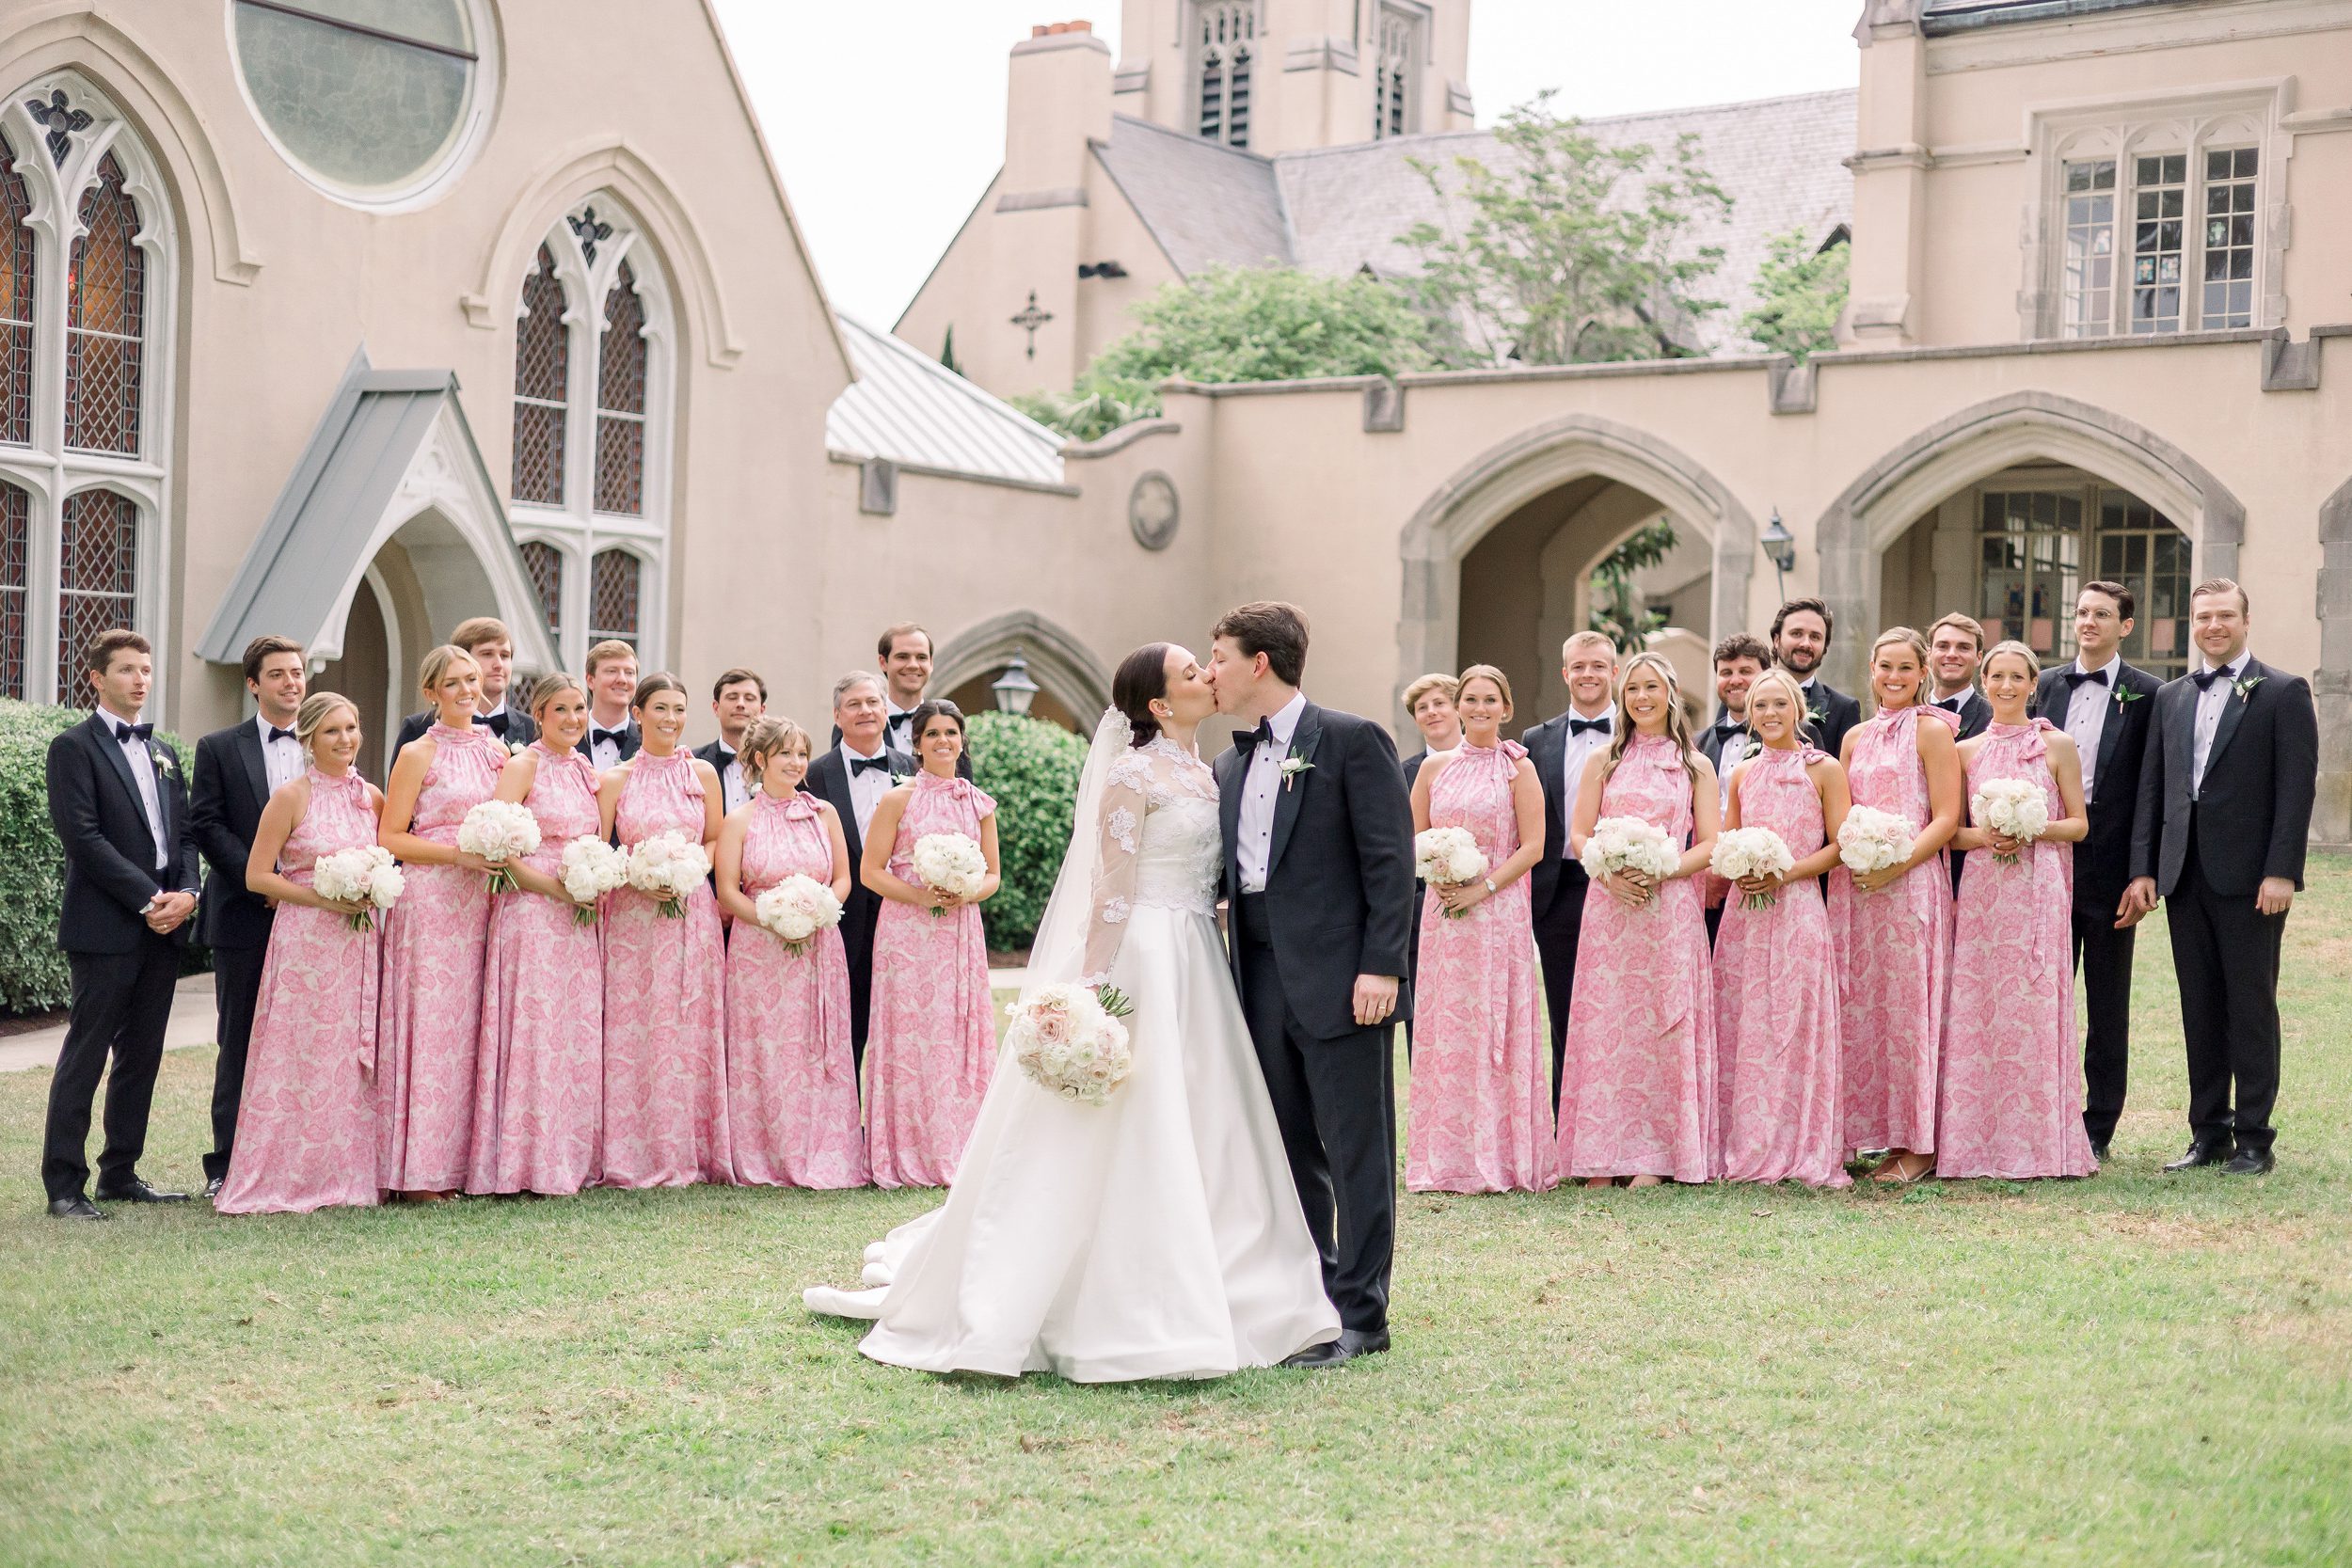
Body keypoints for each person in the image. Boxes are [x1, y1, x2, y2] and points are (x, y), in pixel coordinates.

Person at [803, 645, 1340, 1380]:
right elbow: (1110, 886)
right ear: (1157, 704)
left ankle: (1233, 1269)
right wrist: (1091, 987)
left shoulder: (1206, 769)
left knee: (1206, 1110)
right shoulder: (1129, 773)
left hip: (1197, 956)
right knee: (1127, 1108)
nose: (1205, 678)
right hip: (1143, 953)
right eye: (1190, 673)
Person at [1211, 601, 1414, 1366]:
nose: (1211, 670)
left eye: (1220, 655)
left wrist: (1381, 965)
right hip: (1255, 977)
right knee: (1291, 1148)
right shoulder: (1227, 764)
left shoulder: (1355, 741)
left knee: (1356, 1146)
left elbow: (1391, 863)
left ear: (1259, 662)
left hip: (1342, 976)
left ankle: (1365, 1314)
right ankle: (1315, 1300)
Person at [2125, 579, 2318, 1176]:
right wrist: (2144, 868)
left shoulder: (2283, 691)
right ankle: (2208, 1133)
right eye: (2203, 616)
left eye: (2225, 616)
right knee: (2199, 1007)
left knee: (2250, 1006)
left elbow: (2296, 789)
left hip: (2251, 880)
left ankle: (2255, 1138)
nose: (2214, 626)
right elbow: (2154, 788)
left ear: (2245, 620)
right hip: (2184, 876)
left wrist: (2282, 870)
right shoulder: (2172, 696)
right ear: (2192, 623)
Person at [40, 630, 201, 1219]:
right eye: (127, 669)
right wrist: (149, 896)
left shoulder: (165, 754)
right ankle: (64, 1186)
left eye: (146, 670)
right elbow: (82, 837)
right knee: (87, 1052)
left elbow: (183, 836)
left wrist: (187, 892)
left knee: (143, 1054)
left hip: (165, 927)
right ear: (97, 678)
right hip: (106, 927)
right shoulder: (73, 748)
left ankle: (120, 1173)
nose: (140, 680)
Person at [214, 694, 387, 1215]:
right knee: (302, 1050)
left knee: (350, 1056)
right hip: (306, 942)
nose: (346, 740)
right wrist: (322, 897)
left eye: (352, 727)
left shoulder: (372, 797)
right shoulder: (291, 796)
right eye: (332, 731)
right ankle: (287, 1172)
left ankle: (349, 1172)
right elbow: (257, 875)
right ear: (308, 739)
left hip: (359, 940)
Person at [1555, 652, 1721, 1188]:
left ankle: (1655, 1156)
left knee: (1660, 1025)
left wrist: (1665, 870)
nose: (1642, 698)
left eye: (1652, 687)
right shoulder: (1604, 758)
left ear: (1671, 693)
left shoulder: (1695, 764)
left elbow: (1712, 842)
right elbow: (1580, 833)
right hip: (1610, 908)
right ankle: (1599, 1156)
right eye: (1632, 690)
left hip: (1669, 908)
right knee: (1607, 1026)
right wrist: (1606, 873)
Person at [1940, 642, 2096, 1180]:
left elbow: (2078, 824)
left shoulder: (2058, 746)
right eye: (1997, 676)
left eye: (2017, 677)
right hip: (1984, 891)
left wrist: (2031, 829)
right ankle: (1973, 1142)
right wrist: (1987, 836)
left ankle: (2039, 1144)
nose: (2006, 686)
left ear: (2034, 684)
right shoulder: (1965, 750)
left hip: (2037, 887)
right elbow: (1951, 833)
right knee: (1980, 1006)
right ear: (1984, 682)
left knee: (2032, 1003)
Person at [2028, 581, 2163, 1162]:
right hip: (2043, 864)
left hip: (2110, 871)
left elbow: (2151, 790)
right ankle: (2037, 1111)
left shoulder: (2151, 694)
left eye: (2102, 615)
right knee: (2039, 993)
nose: (2089, 622)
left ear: (2124, 626)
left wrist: (2142, 872)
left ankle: (2098, 1123)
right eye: (2082, 612)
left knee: (2107, 1003)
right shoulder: (2046, 684)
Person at [1406, 665, 1550, 1194]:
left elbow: (1532, 847)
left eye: (1491, 700)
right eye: (1471, 699)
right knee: (1447, 1028)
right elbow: (1415, 835)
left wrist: (1483, 887)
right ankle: (1442, 1158)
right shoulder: (1432, 769)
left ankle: (1499, 1158)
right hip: (1444, 915)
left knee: (1494, 1027)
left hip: (1498, 912)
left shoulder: (1519, 769)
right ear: (1458, 705)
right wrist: (1437, 873)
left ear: (1506, 708)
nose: (1480, 708)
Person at [1828, 627, 1963, 1184]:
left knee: (1908, 1010)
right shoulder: (1855, 736)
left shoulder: (1933, 732)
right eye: (1885, 667)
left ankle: (1918, 1143)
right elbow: (1839, 810)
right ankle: (1863, 1132)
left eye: (1906, 668)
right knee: (1860, 1008)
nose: (1894, 678)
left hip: (1910, 884)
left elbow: (1947, 818)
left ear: (1922, 671)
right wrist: (1856, 857)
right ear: (1872, 669)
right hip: (1857, 887)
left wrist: (1897, 864)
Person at [469, 673, 608, 1196]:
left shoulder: (586, 772)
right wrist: (557, 889)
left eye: (580, 709)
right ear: (540, 714)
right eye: (562, 710)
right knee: (532, 1032)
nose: (573, 719)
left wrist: (593, 881)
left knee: (570, 1034)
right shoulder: (522, 765)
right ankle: (523, 1163)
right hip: (531, 911)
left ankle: (565, 1156)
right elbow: (499, 851)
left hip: (578, 917)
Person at [377, 645, 507, 1201]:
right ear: (431, 692)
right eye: (452, 683)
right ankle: (421, 1173)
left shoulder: (501, 752)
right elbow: (391, 838)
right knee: (433, 1033)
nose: (466, 691)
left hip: (485, 905)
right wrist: (459, 855)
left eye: (472, 680)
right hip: (432, 906)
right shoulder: (416, 753)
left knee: (476, 1032)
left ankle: (470, 1165)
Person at [716, 718, 867, 1189]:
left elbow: (843, 878)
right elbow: (726, 892)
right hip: (758, 951)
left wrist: (819, 911)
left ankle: (822, 1148)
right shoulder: (738, 820)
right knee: (763, 1049)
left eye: (802, 753)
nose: (798, 763)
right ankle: (763, 1152)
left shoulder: (824, 814)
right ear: (761, 760)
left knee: (815, 1049)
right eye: (786, 754)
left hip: (818, 948)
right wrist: (777, 919)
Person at [1713, 668, 1850, 1187]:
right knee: (1747, 1025)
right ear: (1749, 714)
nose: (1769, 714)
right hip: (1745, 915)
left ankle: (1800, 1142)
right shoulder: (1742, 773)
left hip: (1797, 908)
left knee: (1794, 1023)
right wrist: (1739, 869)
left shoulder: (1824, 769)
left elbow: (1840, 845)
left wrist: (1785, 872)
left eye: (1779, 704)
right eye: (1760, 706)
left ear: (1800, 710)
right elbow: (1727, 841)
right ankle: (1745, 1140)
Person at [598, 673, 732, 1187]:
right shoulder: (615, 779)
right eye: (660, 709)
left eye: (679, 709)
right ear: (638, 713)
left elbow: (716, 838)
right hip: (632, 917)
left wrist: (688, 869)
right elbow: (598, 846)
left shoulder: (703, 774)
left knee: (686, 1022)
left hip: (690, 910)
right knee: (634, 1026)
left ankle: (689, 1147)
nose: (671, 719)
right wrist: (639, 874)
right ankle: (630, 1150)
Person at [861, 700, 1000, 1187]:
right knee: (910, 1034)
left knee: (956, 1035)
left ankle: (958, 1146)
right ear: (916, 743)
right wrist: (921, 896)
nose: (943, 741)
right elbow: (871, 872)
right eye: (933, 734)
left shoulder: (979, 803)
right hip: (905, 933)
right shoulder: (898, 799)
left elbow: (993, 875)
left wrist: (966, 891)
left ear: (962, 741)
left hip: (959, 931)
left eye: (951, 733)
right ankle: (906, 1149)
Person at [189, 633, 307, 1199]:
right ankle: (227, 1163)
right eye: (279, 673)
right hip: (245, 913)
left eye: (298, 672)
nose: (292, 682)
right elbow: (206, 824)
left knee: (309, 1039)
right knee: (239, 1038)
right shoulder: (218, 747)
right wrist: (261, 880)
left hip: (316, 916)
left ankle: (299, 1155)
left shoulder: (328, 741)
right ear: (254, 683)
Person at [1521, 630, 1621, 1119]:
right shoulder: (1535, 741)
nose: (1588, 674)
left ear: (1614, 672)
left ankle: (1619, 1120)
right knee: (1564, 1011)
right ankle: (1568, 1125)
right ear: (1565, 673)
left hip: (1624, 889)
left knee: (1619, 1007)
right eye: (1579, 666)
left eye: (1598, 666)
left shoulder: (1641, 733)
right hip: (1556, 889)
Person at [803, 672, 915, 1072]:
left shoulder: (916, 770)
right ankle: (848, 1127)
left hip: (903, 918)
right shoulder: (813, 775)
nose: (865, 710)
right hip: (841, 920)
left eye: (872, 702)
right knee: (843, 1031)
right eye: (854, 704)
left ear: (886, 710)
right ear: (837, 716)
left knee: (903, 1030)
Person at [1398, 672, 1464, 1051]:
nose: (1432, 712)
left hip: (1483, 906)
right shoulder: (1400, 773)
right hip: (1422, 916)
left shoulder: (1497, 762)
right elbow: (1400, 845)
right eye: (1422, 708)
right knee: (1423, 1033)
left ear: (1457, 708)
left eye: (1440, 703)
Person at [1696, 633, 1771, 943]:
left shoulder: (1797, 739)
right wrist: (1708, 872)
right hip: (1707, 888)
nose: (1735, 680)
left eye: (1745, 671)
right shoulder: (1698, 744)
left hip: (1763, 882)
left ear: (1766, 674)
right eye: (1726, 672)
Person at [389, 617, 537, 767]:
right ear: (463, 659)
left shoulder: (531, 727)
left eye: (505, 655)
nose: (499, 664)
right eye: (487, 654)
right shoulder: (419, 727)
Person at [834, 624, 974, 781]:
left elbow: (963, 786)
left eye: (921, 657)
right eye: (903, 657)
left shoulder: (948, 725)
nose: (913, 665)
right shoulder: (856, 721)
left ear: (931, 663)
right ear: (883, 662)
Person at [1927, 612, 1993, 900]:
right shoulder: (1901, 716)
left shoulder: (1994, 719)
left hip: (1971, 872)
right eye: (1943, 646)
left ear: (1979, 657)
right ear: (1929, 654)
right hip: (1908, 867)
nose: (1951, 654)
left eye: (1963, 647)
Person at [1772, 598, 1861, 760]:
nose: (1806, 644)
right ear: (1776, 640)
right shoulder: (1748, 696)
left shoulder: (1844, 709)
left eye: (1815, 637)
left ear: (1825, 647)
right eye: (1796, 633)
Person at [694, 667, 766, 816]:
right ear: (716, 708)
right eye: (732, 697)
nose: (740, 704)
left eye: (749, 698)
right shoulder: (693, 763)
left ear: (762, 710)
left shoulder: (774, 765)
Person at [581, 641, 642, 769]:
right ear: (591, 680)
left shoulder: (648, 742)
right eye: (612, 671)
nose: (622, 679)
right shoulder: (567, 737)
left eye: (629, 673)